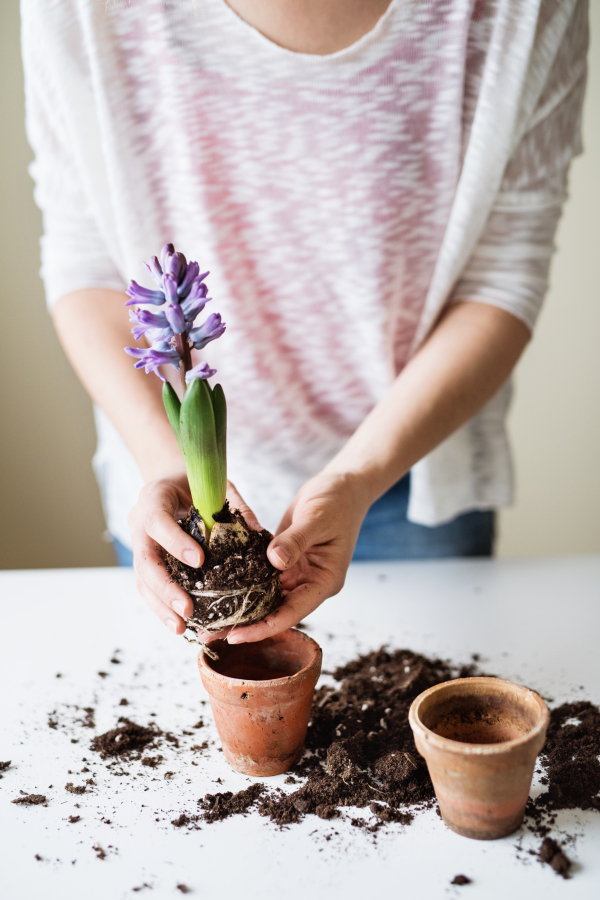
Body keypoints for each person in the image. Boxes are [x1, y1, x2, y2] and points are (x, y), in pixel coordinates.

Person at [22, 0, 588, 645]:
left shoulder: (526, 11)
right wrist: (165, 466)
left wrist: (356, 478)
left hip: (409, 478)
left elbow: (502, 276)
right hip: (169, 504)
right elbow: (85, 261)